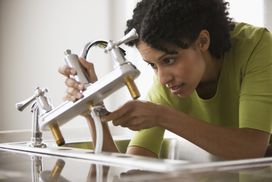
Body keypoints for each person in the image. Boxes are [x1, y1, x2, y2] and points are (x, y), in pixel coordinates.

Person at [59, 0, 272, 160]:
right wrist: (92, 109)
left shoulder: (257, 47)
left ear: (203, 41)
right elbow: (134, 171)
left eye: (169, 60)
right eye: (153, 65)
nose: (162, 78)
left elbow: (252, 148)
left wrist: (163, 116)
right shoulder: (169, 88)